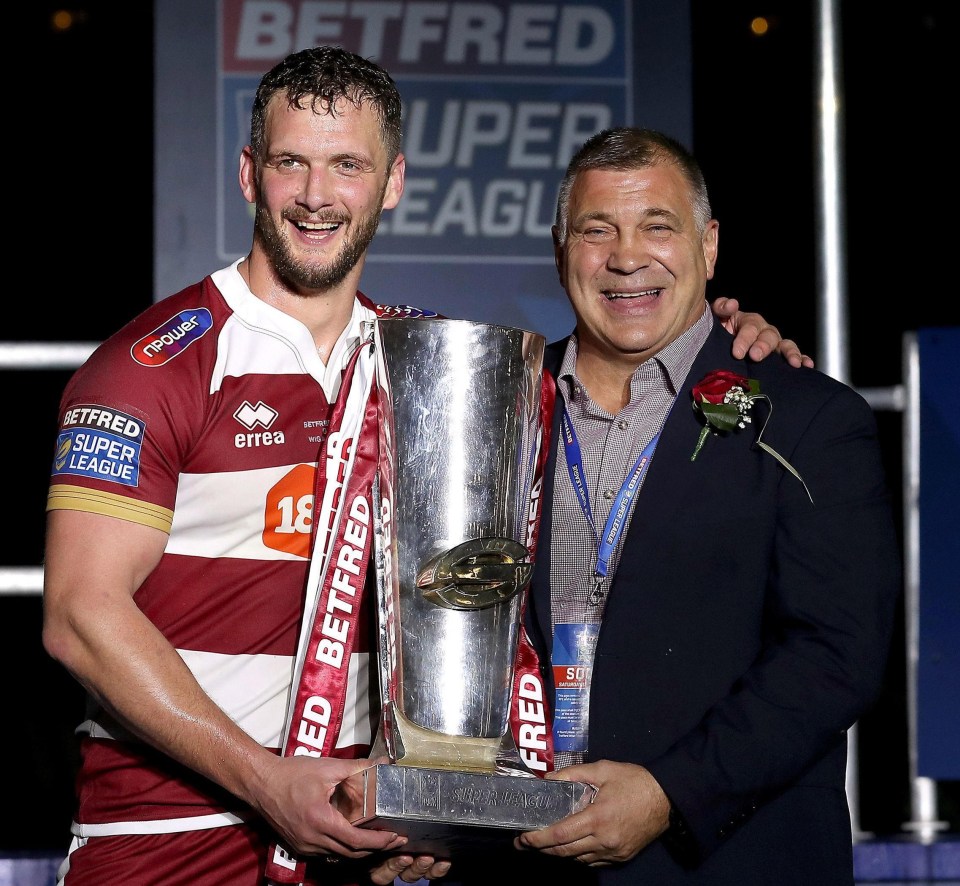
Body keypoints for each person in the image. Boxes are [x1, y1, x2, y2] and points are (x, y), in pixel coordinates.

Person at [41, 46, 806, 886]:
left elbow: (607, 381)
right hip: (171, 842)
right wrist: (266, 782)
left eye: (347, 165)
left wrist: (723, 337)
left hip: (353, 839)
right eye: (290, 162)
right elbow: (80, 616)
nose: (316, 195)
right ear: (249, 174)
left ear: (393, 182)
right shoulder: (155, 365)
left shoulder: (428, 366)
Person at [503, 127, 901, 884]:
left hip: (721, 862)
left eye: (658, 226)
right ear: (561, 249)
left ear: (708, 246)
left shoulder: (806, 419)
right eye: (597, 230)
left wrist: (667, 796)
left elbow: (836, 656)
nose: (626, 257)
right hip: (519, 863)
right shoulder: (497, 405)